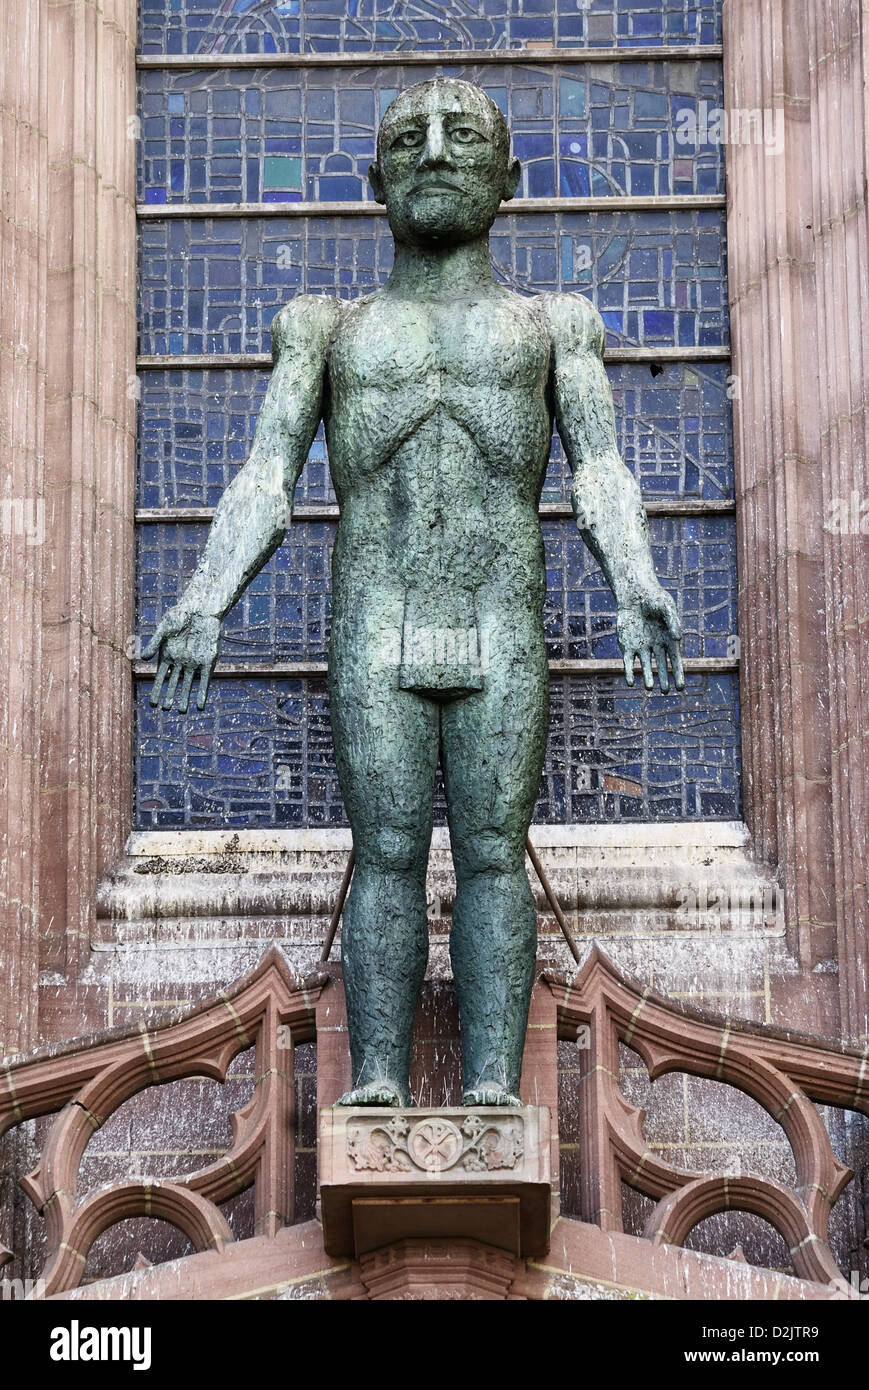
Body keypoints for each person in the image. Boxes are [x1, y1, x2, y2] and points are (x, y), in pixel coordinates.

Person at [144, 79, 683, 1108]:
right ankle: (376, 1091)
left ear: (509, 178)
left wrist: (636, 575)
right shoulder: (327, 329)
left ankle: (491, 1094)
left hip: (500, 613)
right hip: (375, 611)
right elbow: (265, 473)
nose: (433, 151)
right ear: (373, 178)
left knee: (490, 851)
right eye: (408, 139)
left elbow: (602, 467)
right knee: (382, 850)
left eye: (462, 136)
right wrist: (207, 595)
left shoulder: (549, 326)